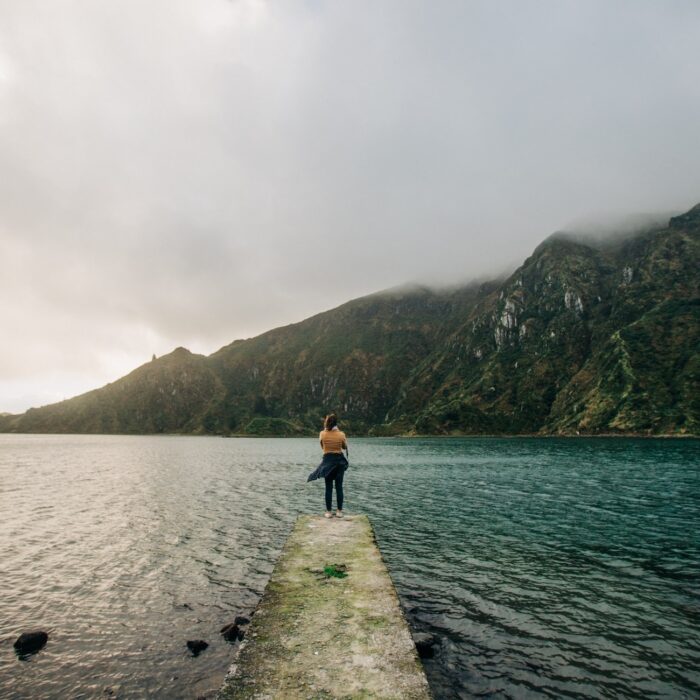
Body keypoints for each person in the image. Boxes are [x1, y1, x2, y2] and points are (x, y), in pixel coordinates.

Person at [306, 413, 349, 518]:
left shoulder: (322, 434)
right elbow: (344, 447)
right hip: (339, 463)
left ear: (326, 422)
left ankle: (329, 512)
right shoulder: (341, 434)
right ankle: (339, 512)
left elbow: (323, 447)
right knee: (339, 487)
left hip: (327, 462)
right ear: (336, 423)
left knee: (328, 487)